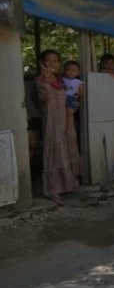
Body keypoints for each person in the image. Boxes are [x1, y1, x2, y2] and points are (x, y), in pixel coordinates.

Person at [34, 49, 79, 204]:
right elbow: (43, 98)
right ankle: (53, 190)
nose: (52, 63)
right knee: (54, 152)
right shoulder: (40, 80)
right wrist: (46, 80)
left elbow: (74, 94)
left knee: (66, 150)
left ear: (60, 63)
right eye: (48, 60)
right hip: (52, 121)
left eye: (55, 60)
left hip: (66, 119)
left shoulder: (61, 79)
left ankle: (67, 184)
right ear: (42, 62)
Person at [62, 60, 84, 136]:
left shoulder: (78, 82)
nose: (71, 72)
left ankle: (69, 129)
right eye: (68, 70)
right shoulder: (62, 79)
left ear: (78, 73)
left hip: (72, 99)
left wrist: (78, 93)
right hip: (63, 98)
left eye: (74, 70)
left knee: (69, 113)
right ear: (64, 71)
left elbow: (82, 91)